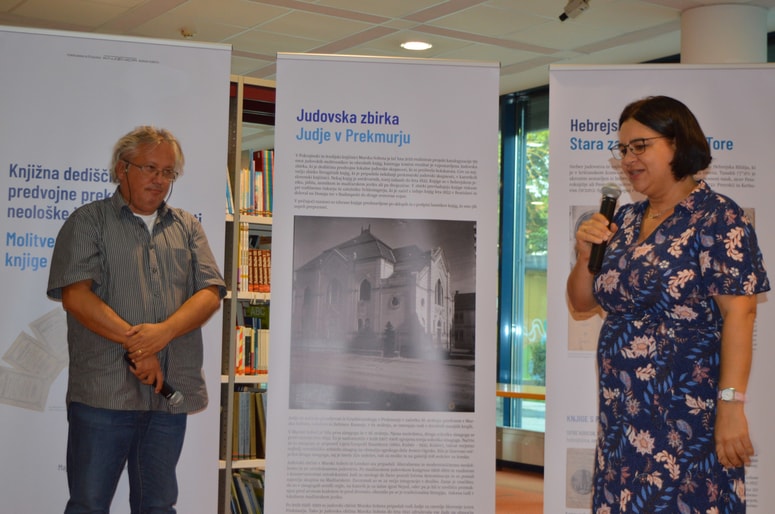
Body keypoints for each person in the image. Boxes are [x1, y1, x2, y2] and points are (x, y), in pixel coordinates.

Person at [567, 96, 769, 513]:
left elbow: (740, 312)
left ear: (677, 144)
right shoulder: (620, 221)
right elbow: (581, 301)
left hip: (683, 413)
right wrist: (585, 255)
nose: (628, 159)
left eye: (640, 146)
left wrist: (730, 405)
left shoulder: (717, 217)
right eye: (623, 149)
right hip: (622, 414)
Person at [47, 126, 226, 513]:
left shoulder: (187, 226)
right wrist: (138, 344)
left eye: (168, 173)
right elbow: (76, 297)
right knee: (89, 505)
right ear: (121, 168)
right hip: (103, 396)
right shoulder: (88, 222)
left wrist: (161, 335)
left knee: (158, 506)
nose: (160, 180)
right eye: (150, 168)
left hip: (167, 398)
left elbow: (210, 293)